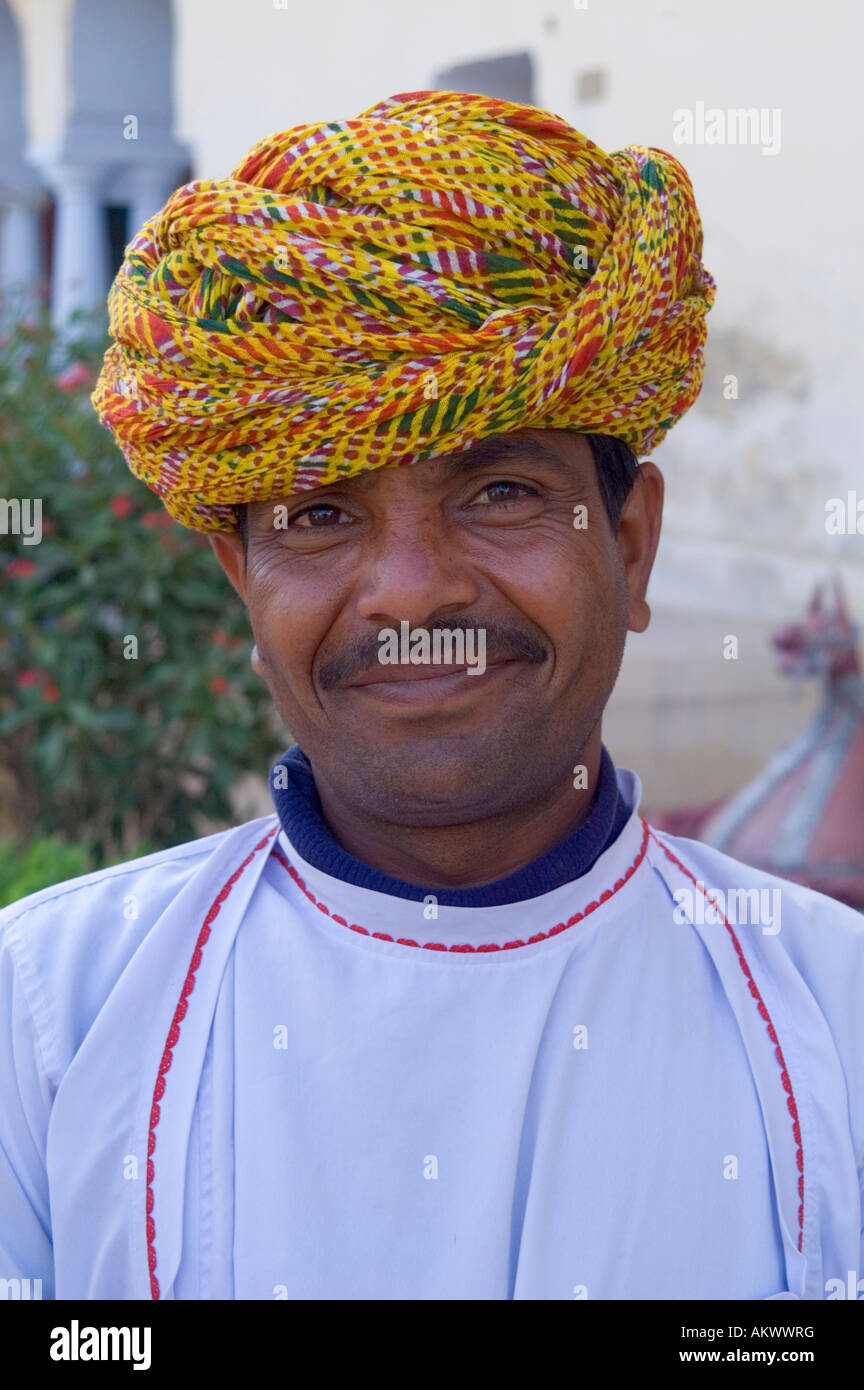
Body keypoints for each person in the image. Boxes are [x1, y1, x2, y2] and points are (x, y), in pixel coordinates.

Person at [1, 89, 861, 1302]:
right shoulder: (43, 1022)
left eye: (500, 489)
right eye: (320, 513)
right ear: (241, 579)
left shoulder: (835, 1023)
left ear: (631, 544)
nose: (411, 591)